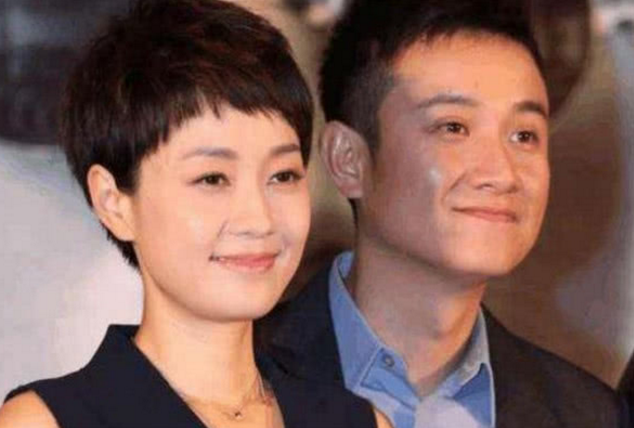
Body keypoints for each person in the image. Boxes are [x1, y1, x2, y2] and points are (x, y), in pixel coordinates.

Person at [0, 1, 392, 427]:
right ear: (113, 202)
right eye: (212, 179)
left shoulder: (358, 421)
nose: (259, 219)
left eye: (282, 176)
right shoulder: (45, 422)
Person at [258, 0, 630, 427]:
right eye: (453, 128)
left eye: (524, 136)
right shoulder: (227, 377)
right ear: (348, 159)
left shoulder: (591, 414)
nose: (502, 173)